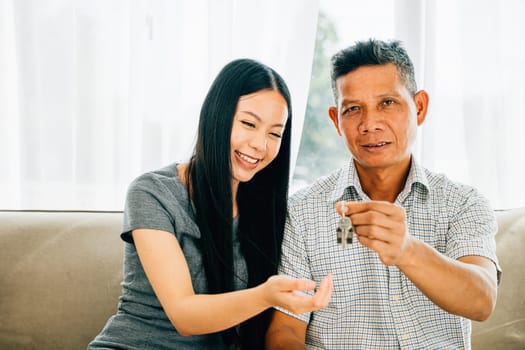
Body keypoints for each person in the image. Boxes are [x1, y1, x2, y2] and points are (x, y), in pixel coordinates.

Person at [265, 39, 501, 349]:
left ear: (419, 107)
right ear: (336, 120)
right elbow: (284, 331)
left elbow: (482, 301)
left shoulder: (464, 203)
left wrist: (406, 249)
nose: (370, 124)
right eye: (353, 109)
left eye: (387, 103)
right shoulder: (301, 211)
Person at [88, 58, 333, 350]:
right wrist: (266, 295)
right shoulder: (153, 192)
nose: (260, 144)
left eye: (274, 133)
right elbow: (184, 315)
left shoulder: (266, 209)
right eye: (248, 123)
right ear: (216, 116)